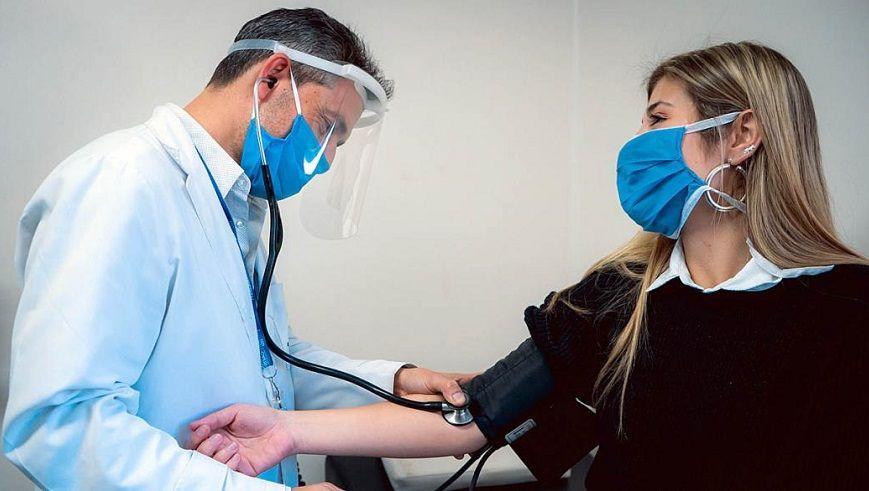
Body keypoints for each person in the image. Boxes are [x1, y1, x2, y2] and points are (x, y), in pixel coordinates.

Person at [188, 42, 869, 489]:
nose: (638, 143)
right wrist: (285, 431)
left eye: (659, 119)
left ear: (740, 134)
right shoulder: (615, 297)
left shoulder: (846, 310)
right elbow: (474, 416)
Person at [3, 8, 474, 490]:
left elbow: (272, 366)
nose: (328, 159)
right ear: (272, 78)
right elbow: (60, 426)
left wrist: (394, 382)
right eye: (326, 127)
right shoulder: (122, 183)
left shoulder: (233, 204)